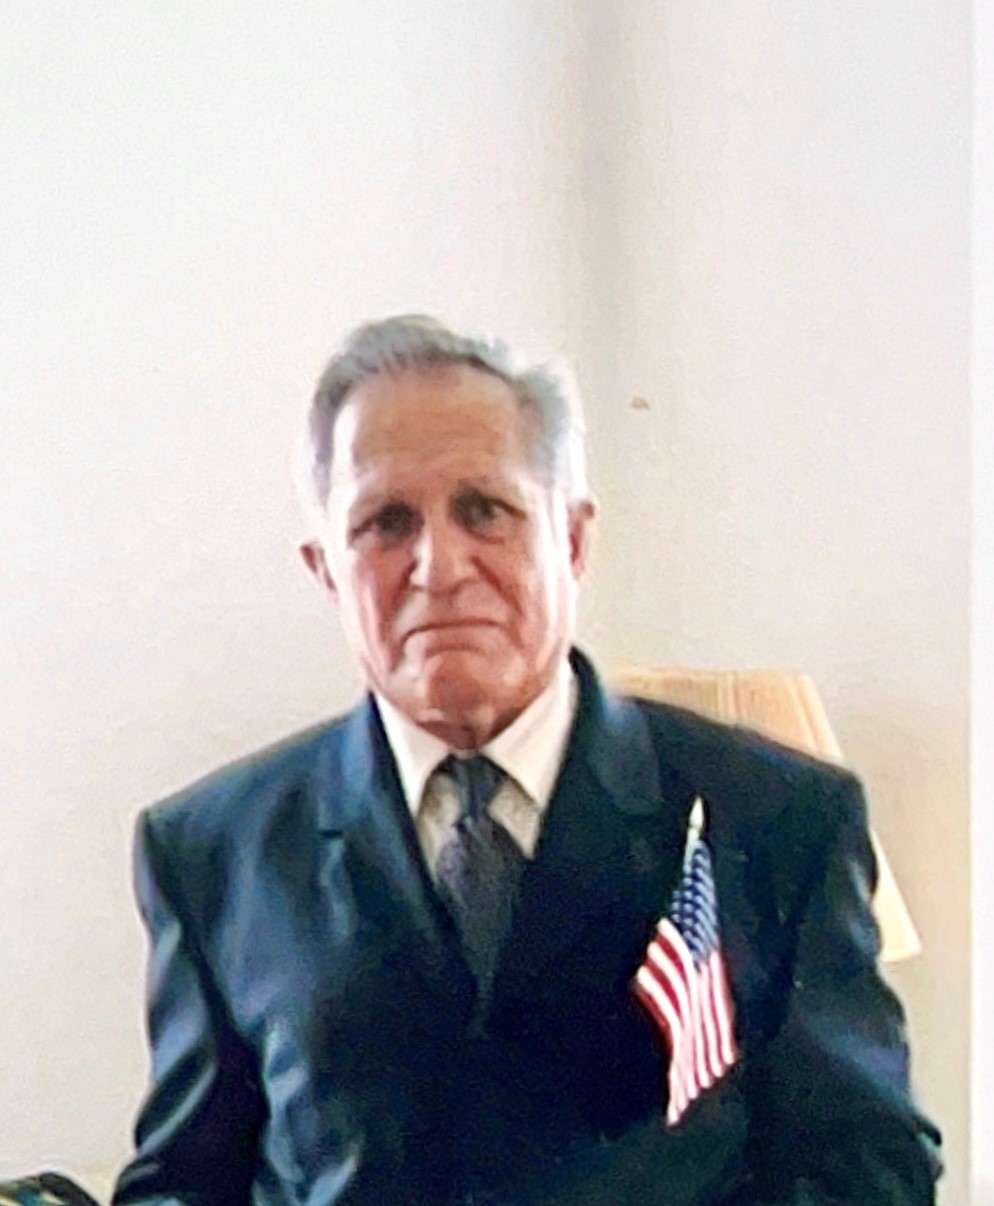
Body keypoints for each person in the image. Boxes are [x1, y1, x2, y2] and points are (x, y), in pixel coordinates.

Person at [114, 315, 941, 1205]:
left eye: (485, 511)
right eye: (386, 522)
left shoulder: (776, 819)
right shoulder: (214, 853)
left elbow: (871, 1173)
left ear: (572, 541)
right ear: (326, 570)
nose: (439, 566)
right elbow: (183, 1185)